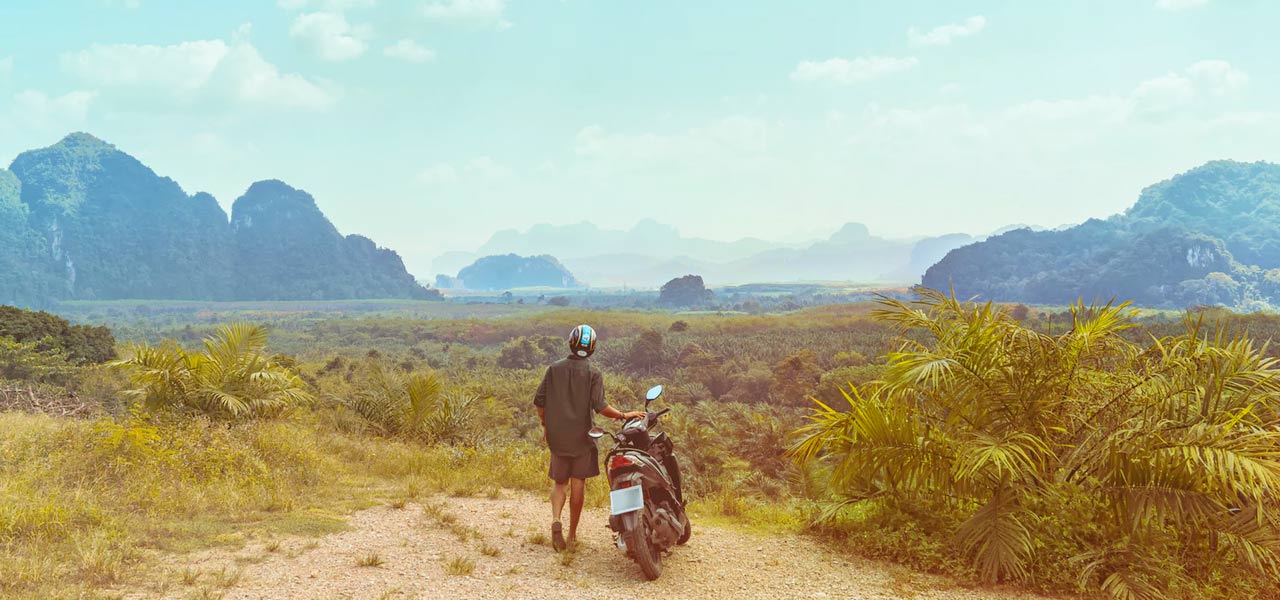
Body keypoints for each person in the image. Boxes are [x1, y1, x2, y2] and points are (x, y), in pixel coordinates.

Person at [534, 324, 643, 552]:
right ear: (592, 348)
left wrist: (546, 425)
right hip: (583, 437)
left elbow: (539, 403)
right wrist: (624, 415)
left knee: (559, 483)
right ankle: (572, 534)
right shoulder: (593, 373)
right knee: (578, 483)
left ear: (571, 343)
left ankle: (556, 521)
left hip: (558, 436)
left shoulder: (554, 369)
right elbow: (600, 407)